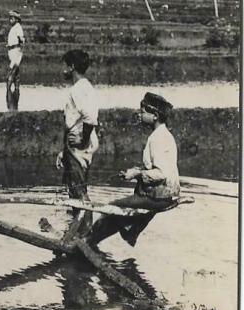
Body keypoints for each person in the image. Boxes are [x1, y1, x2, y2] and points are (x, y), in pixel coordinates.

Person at [87, 93, 180, 247]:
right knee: (118, 213)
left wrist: (136, 174)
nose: (140, 115)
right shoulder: (162, 135)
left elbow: (161, 174)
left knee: (111, 208)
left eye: (143, 112)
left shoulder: (158, 138)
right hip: (163, 193)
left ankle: (90, 242)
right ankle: (107, 237)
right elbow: (154, 168)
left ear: (155, 115)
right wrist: (135, 171)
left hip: (159, 197)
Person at [55, 49, 99, 220]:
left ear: (72, 67)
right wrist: (63, 151)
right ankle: (78, 227)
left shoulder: (77, 89)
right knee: (76, 187)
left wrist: (82, 140)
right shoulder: (85, 87)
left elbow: (90, 116)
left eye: (65, 66)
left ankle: (85, 229)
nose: (62, 70)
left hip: (78, 144)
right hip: (77, 143)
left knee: (77, 189)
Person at [6, 10, 25, 110]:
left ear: (17, 20)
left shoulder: (18, 28)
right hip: (12, 51)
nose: (10, 20)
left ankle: (9, 91)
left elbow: (21, 41)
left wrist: (19, 53)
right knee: (16, 75)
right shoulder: (14, 28)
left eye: (12, 18)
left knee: (11, 72)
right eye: (10, 18)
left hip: (15, 51)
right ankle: (15, 96)